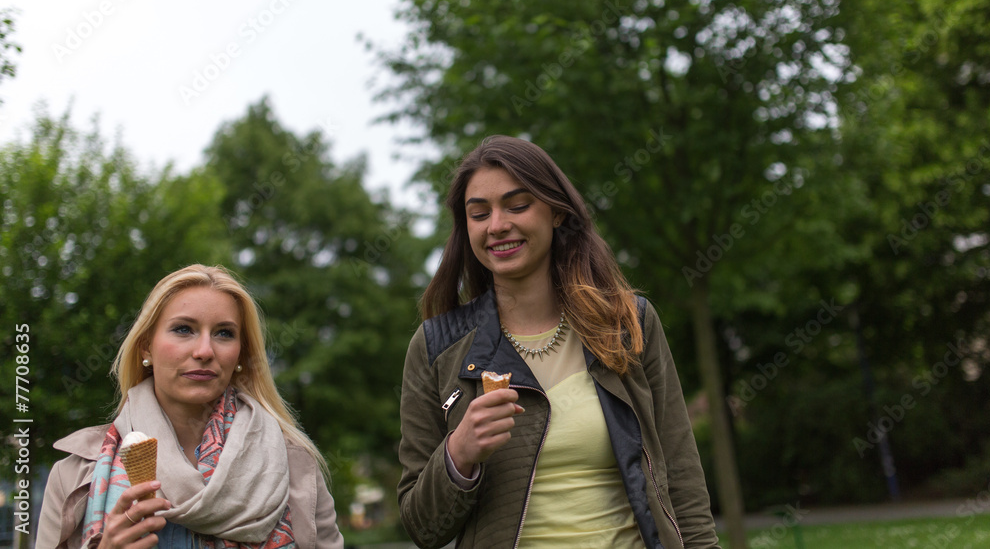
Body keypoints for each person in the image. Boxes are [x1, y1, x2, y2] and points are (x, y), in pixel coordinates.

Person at [397, 135, 721, 549]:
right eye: (479, 214)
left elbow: (682, 475)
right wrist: (458, 454)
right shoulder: (435, 347)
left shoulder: (628, 323)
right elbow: (422, 528)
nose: (497, 225)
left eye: (517, 205)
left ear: (555, 212)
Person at [38, 264, 344, 549]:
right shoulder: (75, 474)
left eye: (224, 333)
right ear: (146, 346)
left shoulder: (293, 465)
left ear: (239, 355)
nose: (204, 351)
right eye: (183, 329)